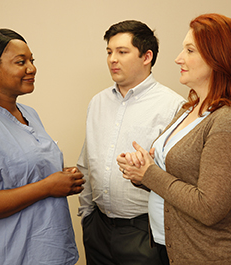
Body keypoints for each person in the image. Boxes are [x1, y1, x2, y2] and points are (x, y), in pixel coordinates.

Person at [117, 13, 231, 265]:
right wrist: (141, 168)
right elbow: (173, 176)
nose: (178, 58)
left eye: (190, 50)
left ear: (218, 58)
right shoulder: (187, 110)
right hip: (170, 247)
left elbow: (209, 208)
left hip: (213, 255)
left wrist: (149, 173)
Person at [0, 29, 85, 265]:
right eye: (20, 62)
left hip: (43, 250)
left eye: (32, 60)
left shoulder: (28, 114)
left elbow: (19, 172)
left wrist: (60, 178)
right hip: (4, 255)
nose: (32, 68)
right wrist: (47, 186)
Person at [77, 20, 185, 265]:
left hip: (144, 232)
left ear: (147, 56)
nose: (112, 59)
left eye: (122, 52)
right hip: (98, 228)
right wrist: (87, 216)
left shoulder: (173, 106)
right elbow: (86, 161)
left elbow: (179, 177)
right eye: (109, 52)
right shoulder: (98, 102)